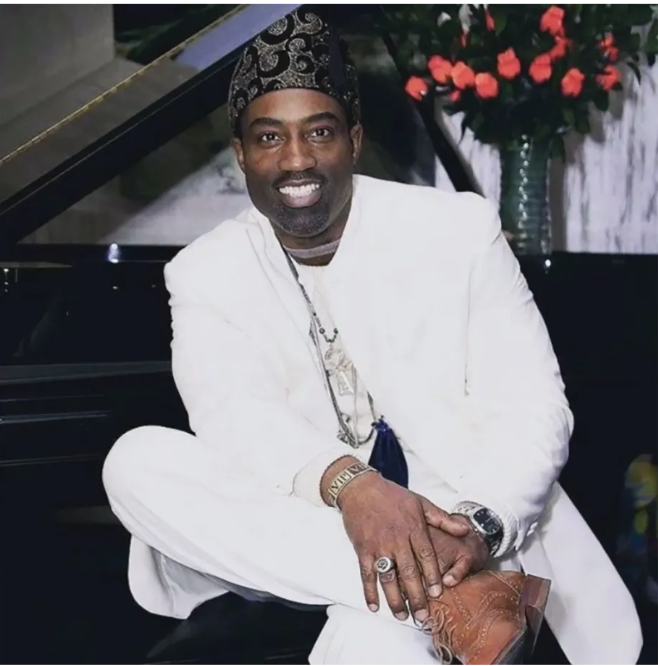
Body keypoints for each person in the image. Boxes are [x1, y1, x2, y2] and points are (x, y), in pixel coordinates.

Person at [103, 9, 642, 665]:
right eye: (269, 137)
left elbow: (534, 409)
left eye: (319, 132)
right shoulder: (204, 271)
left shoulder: (457, 230)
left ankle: (427, 586)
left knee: (368, 646)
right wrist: (352, 487)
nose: (296, 159)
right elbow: (235, 418)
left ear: (354, 140)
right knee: (133, 460)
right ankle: (451, 600)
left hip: (459, 521)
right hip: (300, 528)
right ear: (240, 153)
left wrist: (476, 524)